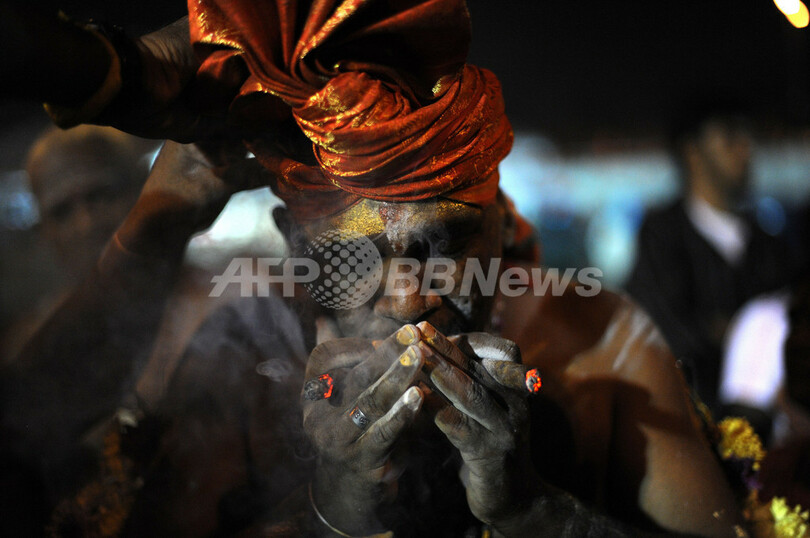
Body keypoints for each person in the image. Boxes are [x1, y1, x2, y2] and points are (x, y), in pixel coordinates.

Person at [1, 2, 745, 536]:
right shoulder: (247, 351)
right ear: (296, 247)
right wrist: (329, 512)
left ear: (499, 222)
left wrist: (535, 512)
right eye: (350, 256)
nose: (410, 298)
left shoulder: (600, 340)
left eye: (445, 245)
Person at [626, 104, 801, 413]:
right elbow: (664, 331)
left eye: (748, 138)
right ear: (692, 152)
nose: (745, 150)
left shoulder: (769, 244)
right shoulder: (662, 238)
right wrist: (745, 335)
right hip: (692, 422)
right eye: (730, 138)